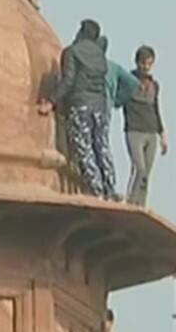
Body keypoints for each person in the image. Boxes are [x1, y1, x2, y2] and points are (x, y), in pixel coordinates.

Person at [39, 19, 120, 200]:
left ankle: (96, 189)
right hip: (100, 106)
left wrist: (51, 101)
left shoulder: (72, 52)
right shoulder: (100, 56)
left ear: (82, 32)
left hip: (80, 104)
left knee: (84, 148)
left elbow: (68, 81)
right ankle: (110, 188)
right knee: (102, 146)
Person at [123, 45, 168, 207]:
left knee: (146, 173)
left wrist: (162, 133)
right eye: (143, 63)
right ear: (137, 63)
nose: (146, 67)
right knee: (139, 168)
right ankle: (130, 201)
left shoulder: (154, 85)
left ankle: (141, 204)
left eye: (149, 64)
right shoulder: (128, 80)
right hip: (134, 130)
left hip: (151, 130)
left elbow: (156, 108)